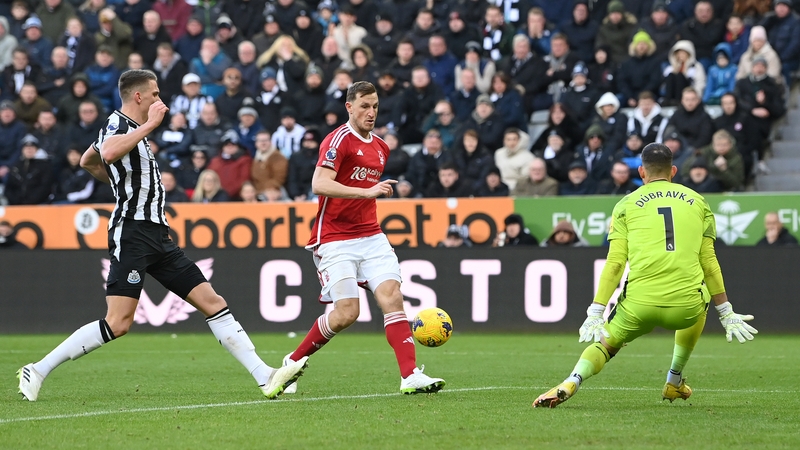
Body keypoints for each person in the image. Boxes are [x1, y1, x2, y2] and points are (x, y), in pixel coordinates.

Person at [17, 69, 308, 403]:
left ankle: (264, 375)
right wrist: (148, 128)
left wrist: (119, 181)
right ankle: (37, 369)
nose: (160, 100)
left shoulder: (131, 130)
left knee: (212, 302)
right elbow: (107, 154)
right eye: (154, 94)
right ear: (138, 96)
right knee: (118, 322)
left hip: (157, 233)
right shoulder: (120, 124)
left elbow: (89, 160)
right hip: (133, 233)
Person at [533, 143, 758, 409]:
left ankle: (573, 379)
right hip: (684, 308)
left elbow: (615, 263)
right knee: (702, 294)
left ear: (641, 171)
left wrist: (597, 310)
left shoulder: (626, 204)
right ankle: (674, 379)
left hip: (639, 305)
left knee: (607, 345)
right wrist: (726, 311)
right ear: (673, 171)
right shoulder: (698, 201)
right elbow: (709, 262)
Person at [282, 81, 446, 395]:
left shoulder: (381, 147)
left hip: (371, 235)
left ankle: (410, 375)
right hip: (334, 238)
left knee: (392, 296)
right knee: (347, 313)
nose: (371, 113)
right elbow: (319, 183)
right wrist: (366, 191)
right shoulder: (338, 140)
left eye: (375, 107)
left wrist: (368, 195)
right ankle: (292, 361)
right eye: (364, 107)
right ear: (349, 107)